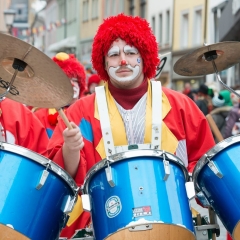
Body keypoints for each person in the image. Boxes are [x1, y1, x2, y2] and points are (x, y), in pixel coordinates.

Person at [47, 14, 215, 238]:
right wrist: (70, 148)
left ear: (145, 57)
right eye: (114, 55)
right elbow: (62, 179)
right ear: (104, 62)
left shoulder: (181, 106)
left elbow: (206, 165)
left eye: (131, 52)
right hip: (103, 227)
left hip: (174, 225)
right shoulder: (80, 112)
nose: (123, 61)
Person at [34, 52, 87, 138]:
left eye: (75, 80)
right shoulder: (39, 118)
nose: (72, 84)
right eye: (66, 80)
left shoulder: (88, 112)